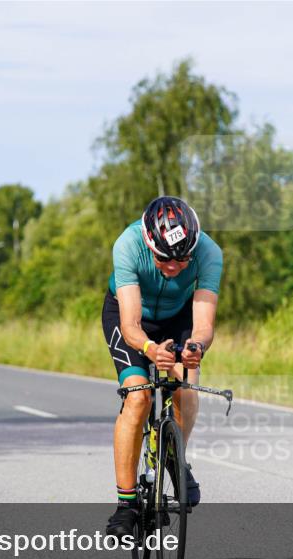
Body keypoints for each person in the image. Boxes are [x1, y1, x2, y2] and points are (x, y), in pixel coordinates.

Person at [101, 196, 223, 537]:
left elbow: (203, 324)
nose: (173, 267)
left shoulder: (210, 253)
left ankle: (173, 456)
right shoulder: (128, 244)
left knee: (187, 387)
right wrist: (150, 350)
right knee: (138, 397)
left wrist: (196, 347)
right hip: (131, 319)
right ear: (148, 243)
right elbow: (130, 325)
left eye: (182, 260)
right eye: (163, 258)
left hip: (179, 317)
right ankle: (126, 504)